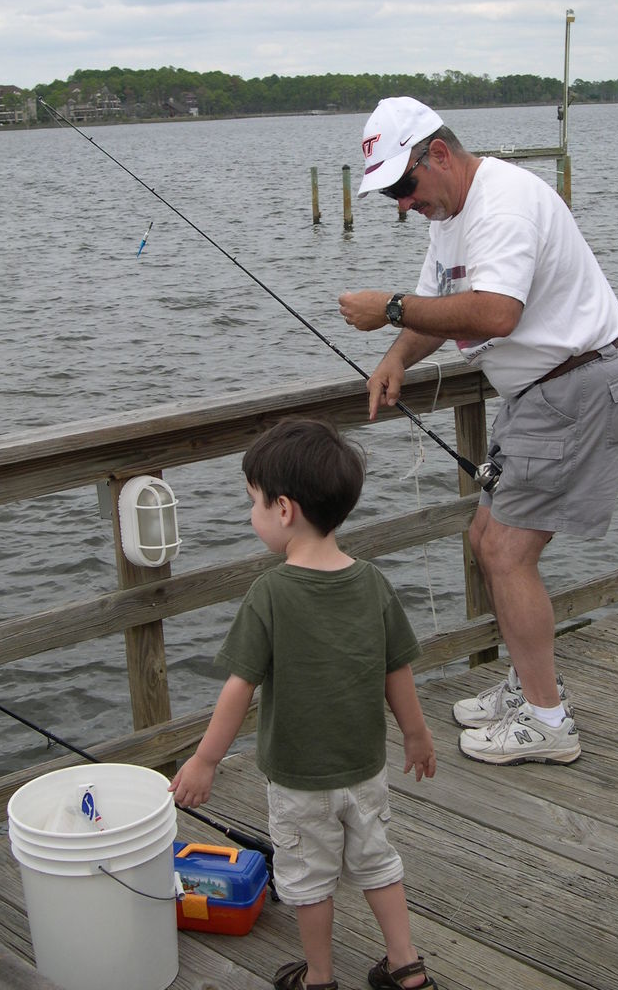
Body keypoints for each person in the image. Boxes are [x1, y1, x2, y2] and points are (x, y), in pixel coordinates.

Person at [339, 96, 618, 766]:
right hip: (542, 393)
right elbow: (441, 313)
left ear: (438, 155)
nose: (401, 203)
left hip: (576, 385)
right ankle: (529, 686)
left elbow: (496, 313)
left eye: (403, 186)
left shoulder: (502, 203)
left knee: (507, 553)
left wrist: (386, 308)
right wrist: (394, 358)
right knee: (486, 538)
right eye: (389, 193)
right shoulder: (446, 217)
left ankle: (547, 721)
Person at [169, 417, 439, 990]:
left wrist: (205, 760)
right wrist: (416, 734)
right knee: (377, 863)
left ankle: (319, 978)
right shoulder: (372, 581)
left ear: (285, 510)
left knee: (309, 882)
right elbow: (398, 670)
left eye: (254, 503)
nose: (252, 516)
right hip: (365, 768)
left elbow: (239, 688)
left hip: (297, 781)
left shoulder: (270, 592)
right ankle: (406, 965)